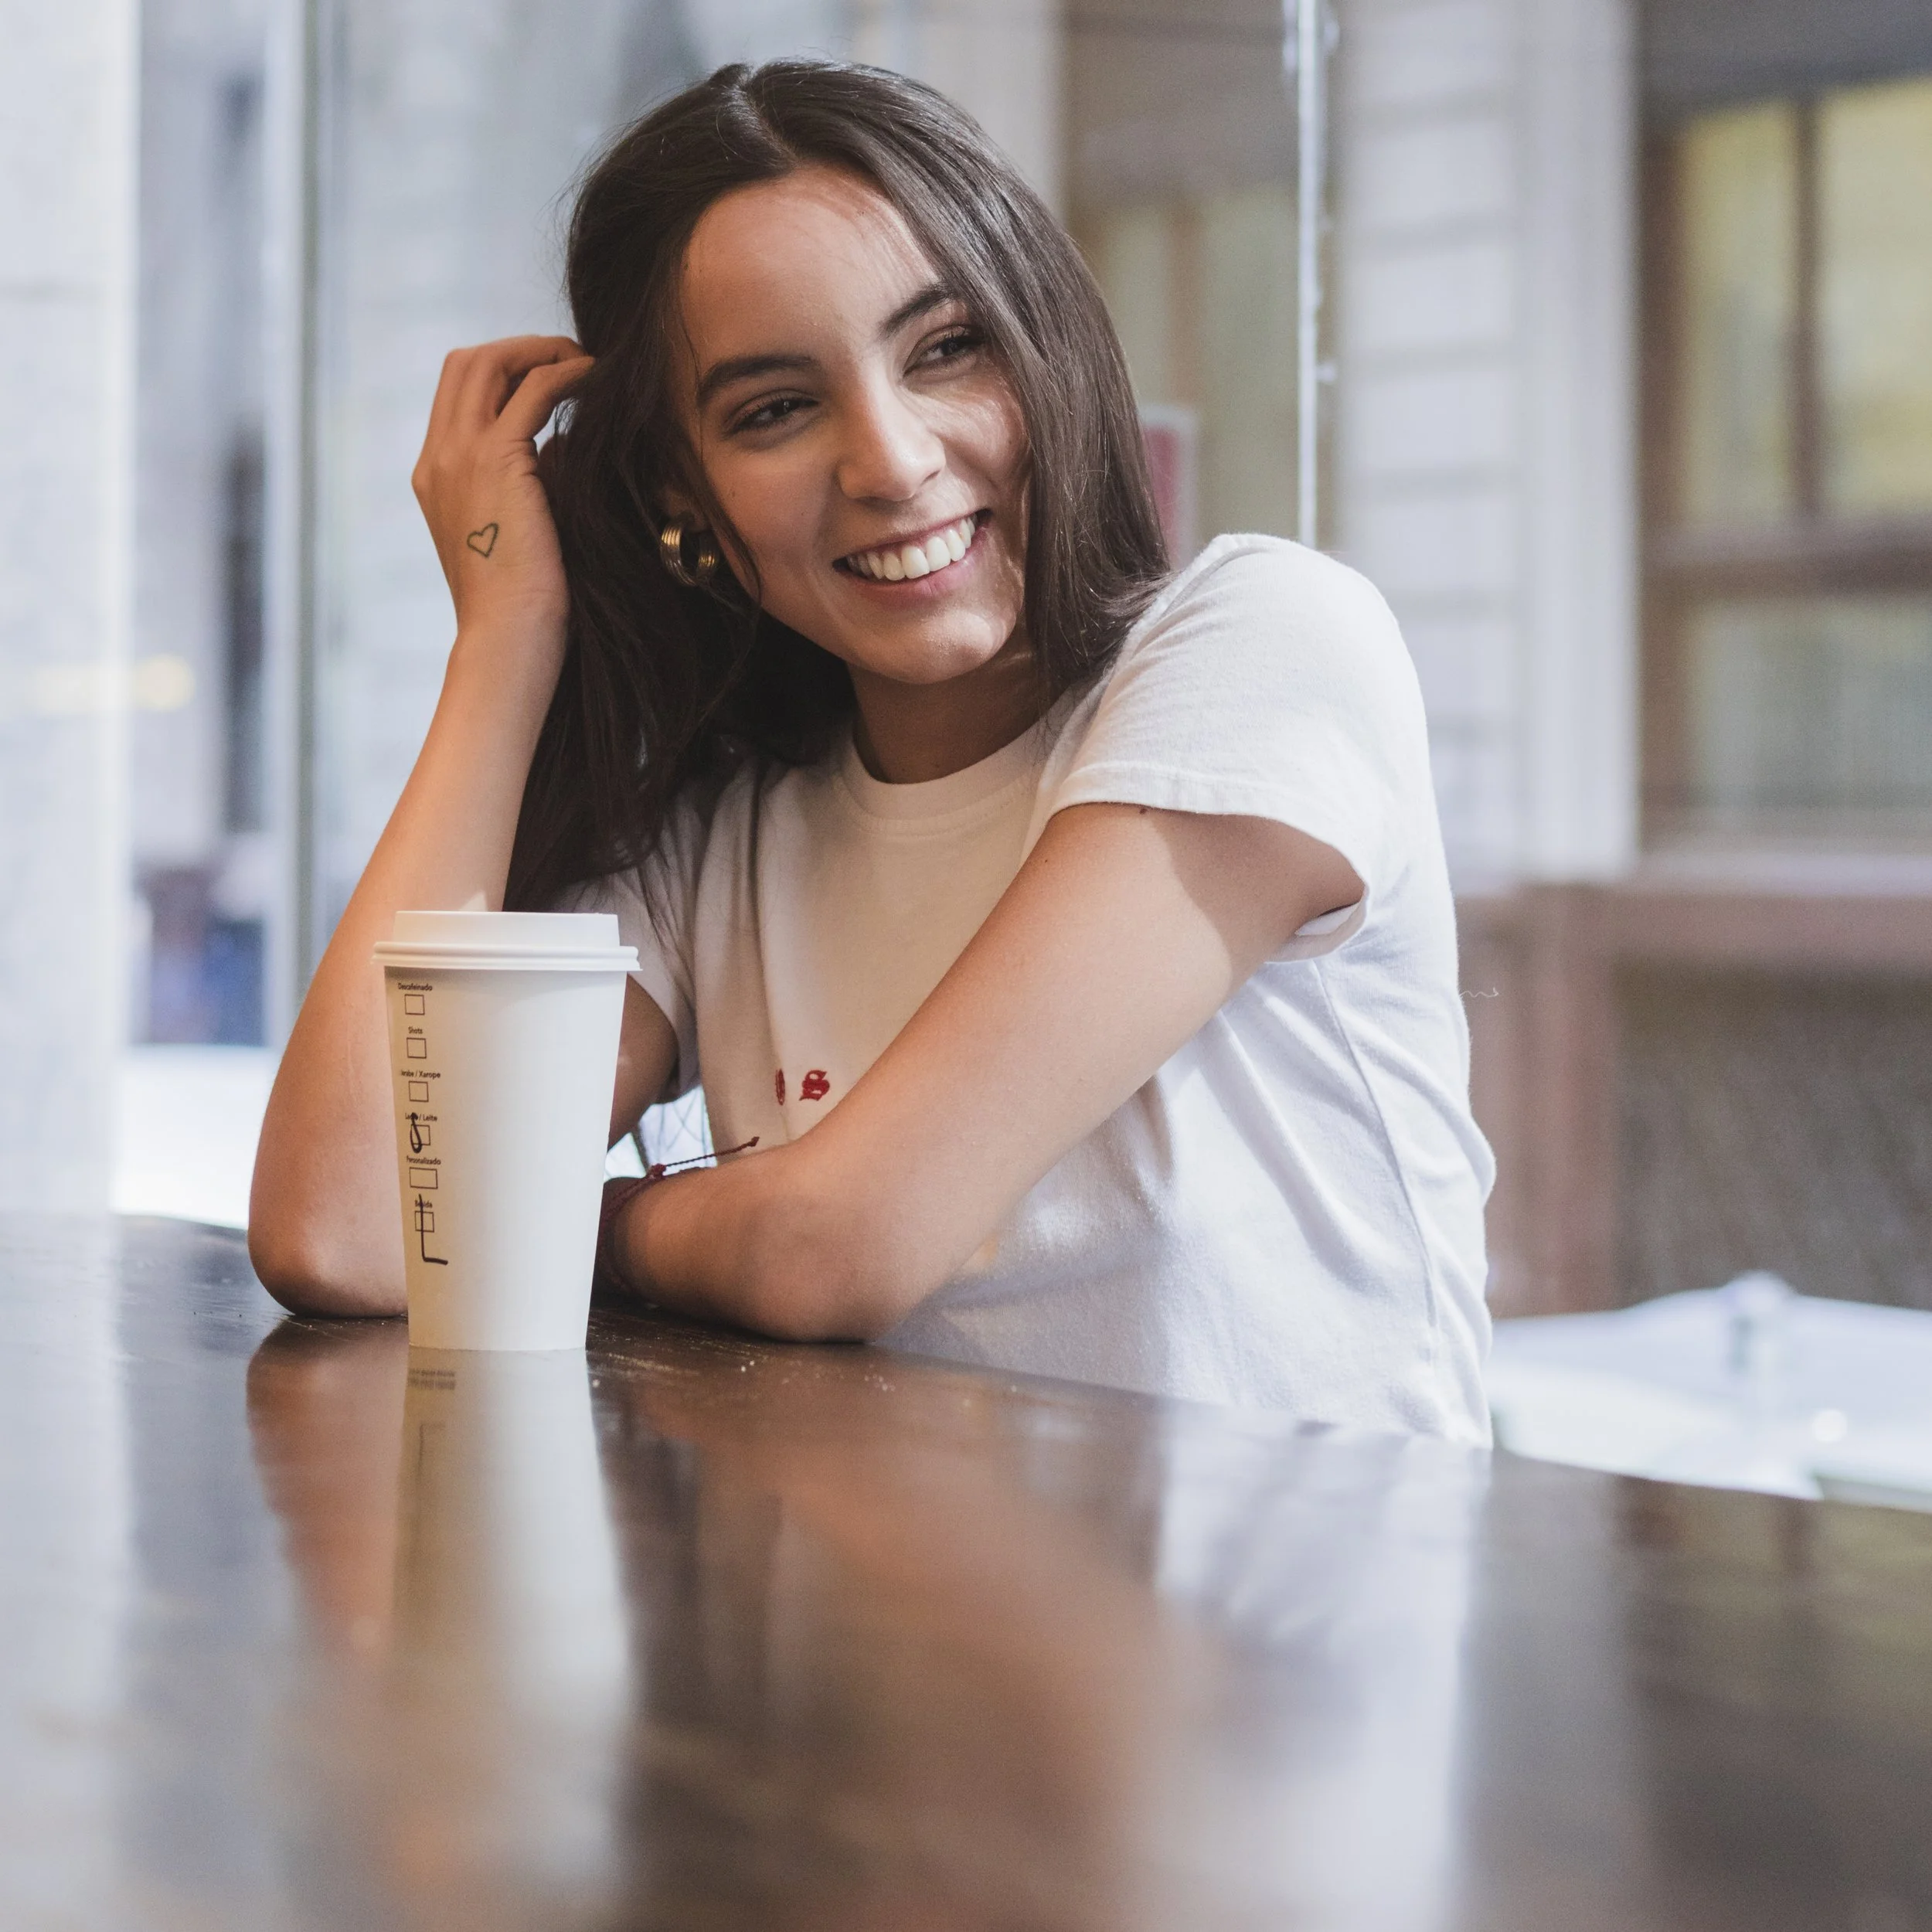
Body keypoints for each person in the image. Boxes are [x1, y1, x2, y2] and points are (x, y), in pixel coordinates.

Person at [250, 60, 1495, 1440]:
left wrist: (563, 1222)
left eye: (946, 347)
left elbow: (832, 1249)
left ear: (1043, 341)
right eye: (775, 409)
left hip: (1289, 1641)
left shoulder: (1267, 645)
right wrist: (506, 637)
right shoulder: (720, 836)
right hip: (879, 1641)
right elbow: (352, 1231)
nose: (891, 460)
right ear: (688, 500)